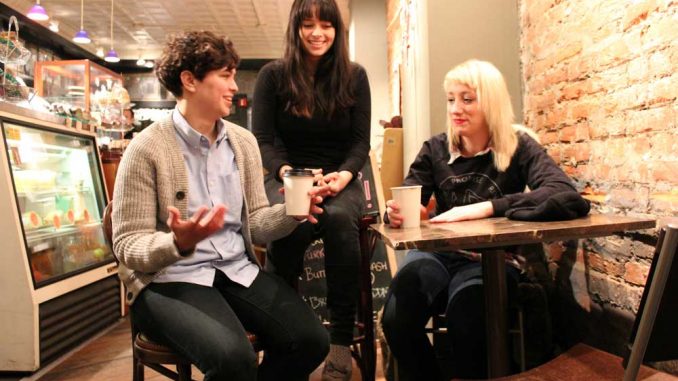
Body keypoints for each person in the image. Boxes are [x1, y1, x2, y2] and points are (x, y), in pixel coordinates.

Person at [111, 31, 330, 381]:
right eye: (225, 75)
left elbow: (256, 223)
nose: (234, 85)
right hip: (167, 280)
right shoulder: (146, 148)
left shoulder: (242, 143)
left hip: (235, 270)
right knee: (233, 360)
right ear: (189, 80)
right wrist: (176, 243)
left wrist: (292, 212)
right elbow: (127, 244)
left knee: (311, 341)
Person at [380, 59, 578, 380]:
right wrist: (400, 212)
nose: (456, 108)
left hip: (492, 260)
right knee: (397, 319)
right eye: (451, 99)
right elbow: (408, 197)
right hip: (438, 254)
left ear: (491, 100)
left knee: (468, 318)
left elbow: (563, 193)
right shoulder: (435, 149)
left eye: (467, 99)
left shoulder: (517, 146)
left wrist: (485, 208)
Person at [252, 1, 371, 379]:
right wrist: (290, 174)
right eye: (308, 24)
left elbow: (359, 143)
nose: (317, 32)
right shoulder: (273, 76)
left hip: (340, 179)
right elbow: (264, 140)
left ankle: (338, 343)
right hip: (288, 177)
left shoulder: (354, 76)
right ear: (295, 28)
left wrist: (344, 176)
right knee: (292, 224)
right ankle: (285, 340)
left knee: (337, 220)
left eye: (326, 24)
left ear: (338, 30)